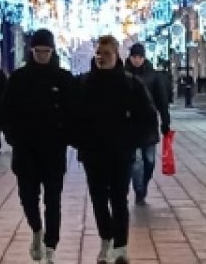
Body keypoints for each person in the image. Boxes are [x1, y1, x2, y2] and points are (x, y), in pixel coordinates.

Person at [71, 35, 157, 264]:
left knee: (119, 198)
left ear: (116, 55)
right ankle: (105, 240)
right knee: (99, 199)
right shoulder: (85, 83)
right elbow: (73, 116)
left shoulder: (130, 84)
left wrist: (132, 138)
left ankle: (120, 246)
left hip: (121, 152)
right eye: (99, 53)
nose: (101, 57)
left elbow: (147, 117)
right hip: (93, 152)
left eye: (106, 53)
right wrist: (79, 139)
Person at [2, 29, 75, 264]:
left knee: (53, 199)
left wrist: (67, 135)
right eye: (38, 51)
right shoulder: (19, 78)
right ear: (31, 51)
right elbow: (7, 110)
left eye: (46, 51)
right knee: (28, 198)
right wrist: (12, 136)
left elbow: (74, 112)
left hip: (53, 150)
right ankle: (36, 229)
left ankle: (51, 246)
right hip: (25, 150)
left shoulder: (63, 79)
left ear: (52, 51)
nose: (42, 55)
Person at [124, 42, 170, 206]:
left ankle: (143, 184)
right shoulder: (123, 74)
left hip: (149, 124)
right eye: (134, 57)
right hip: (130, 125)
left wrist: (165, 121)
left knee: (149, 161)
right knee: (136, 162)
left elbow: (161, 100)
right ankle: (139, 191)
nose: (137, 60)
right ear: (130, 57)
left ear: (144, 58)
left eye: (140, 57)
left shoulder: (153, 76)